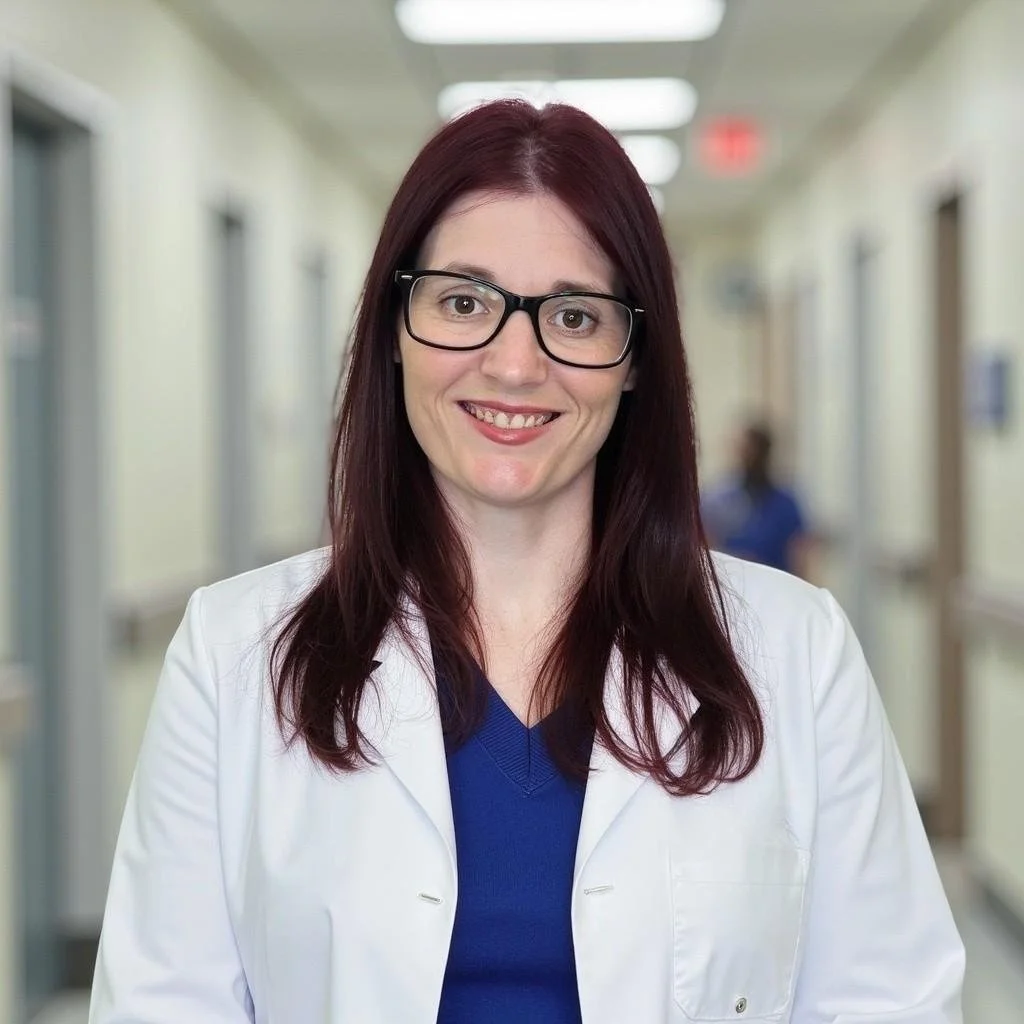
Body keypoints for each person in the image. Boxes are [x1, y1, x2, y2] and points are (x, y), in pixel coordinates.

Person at [89, 101, 963, 1023]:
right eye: (463, 303)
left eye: (575, 316)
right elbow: (161, 1003)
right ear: (396, 326)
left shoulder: (795, 654)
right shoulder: (232, 656)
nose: (514, 364)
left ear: (634, 359)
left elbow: (888, 999)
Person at [701, 421, 813, 578]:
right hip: (732, 585)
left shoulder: (785, 503)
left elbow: (799, 554)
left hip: (775, 586)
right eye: (745, 452)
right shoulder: (720, 500)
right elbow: (707, 544)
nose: (750, 458)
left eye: (754, 452)